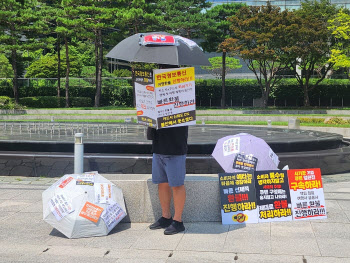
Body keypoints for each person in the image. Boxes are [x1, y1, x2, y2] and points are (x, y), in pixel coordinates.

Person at [147, 124, 188, 235]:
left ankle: (178, 221)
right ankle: (166, 217)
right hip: (158, 146)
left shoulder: (182, 107)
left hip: (175, 147)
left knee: (177, 185)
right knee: (162, 183)